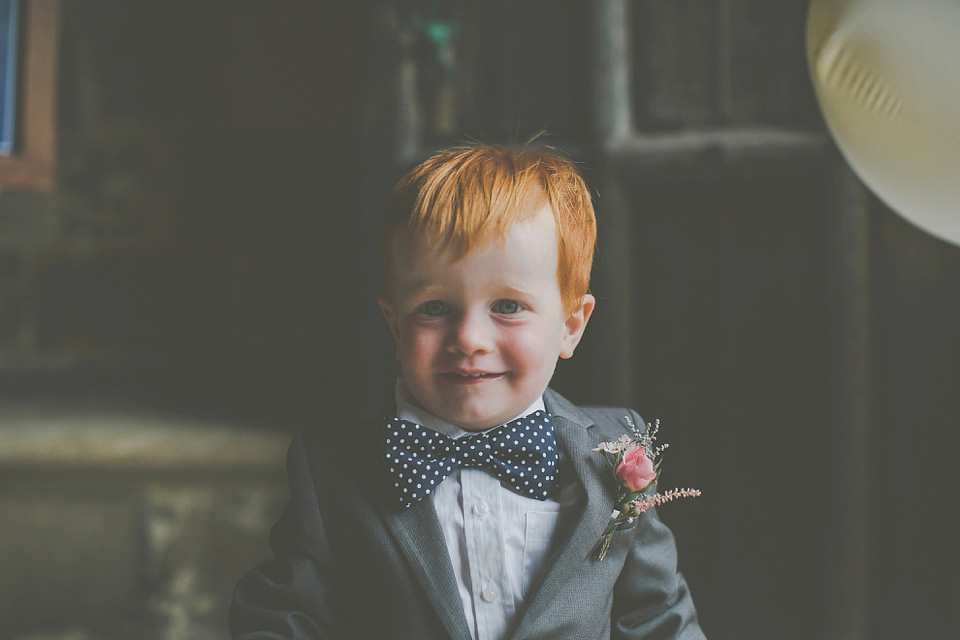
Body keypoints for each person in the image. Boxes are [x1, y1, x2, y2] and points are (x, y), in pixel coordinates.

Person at [229, 145, 705, 639]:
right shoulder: (331, 472)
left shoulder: (617, 454)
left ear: (570, 325)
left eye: (507, 305)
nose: (470, 339)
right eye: (434, 308)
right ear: (395, 326)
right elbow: (280, 621)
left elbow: (657, 618)